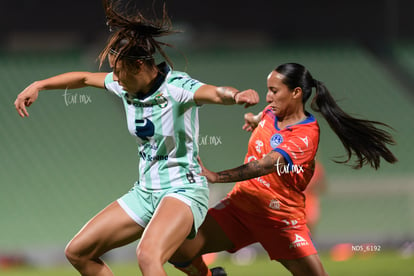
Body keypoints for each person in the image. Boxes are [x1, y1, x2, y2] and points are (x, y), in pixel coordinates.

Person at [13, 2, 259, 276]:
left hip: (182, 190)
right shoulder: (124, 86)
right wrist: (39, 85)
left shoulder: (176, 87)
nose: (114, 78)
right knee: (78, 252)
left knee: (147, 256)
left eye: (118, 71)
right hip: (145, 192)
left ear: (139, 65)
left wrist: (236, 96)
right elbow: (82, 78)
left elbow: (216, 93)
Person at [169, 62, 397, 276]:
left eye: (274, 91)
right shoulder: (271, 111)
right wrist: (253, 119)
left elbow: (265, 165)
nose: (268, 96)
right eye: (268, 90)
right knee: (177, 248)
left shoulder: (306, 134)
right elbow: (263, 117)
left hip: (279, 220)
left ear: (296, 93)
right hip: (240, 207)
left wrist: (217, 176)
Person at [304, 160, 327, 234]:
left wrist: (313, 187)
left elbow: (323, 187)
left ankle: (311, 243)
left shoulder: (317, 167)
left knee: (310, 225)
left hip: (310, 199)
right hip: (296, 199)